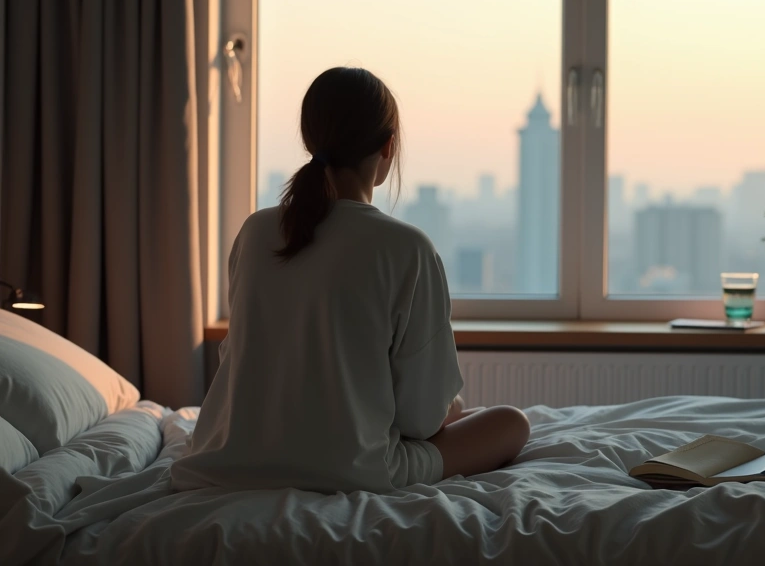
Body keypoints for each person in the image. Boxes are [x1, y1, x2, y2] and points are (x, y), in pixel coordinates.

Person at [171, 67, 530, 494]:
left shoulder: (255, 232)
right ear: (388, 147)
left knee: (454, 410)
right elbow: (421, 420)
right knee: (510, 422)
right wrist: (445, 410)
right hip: (353, 470)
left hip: (228, 459)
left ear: (312, 141)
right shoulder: (406, 248)